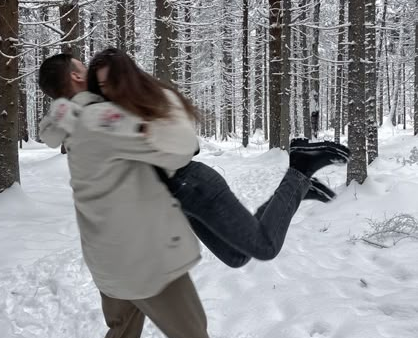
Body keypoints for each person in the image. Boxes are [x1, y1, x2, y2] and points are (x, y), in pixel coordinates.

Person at [38, 54, 239, 338]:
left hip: (108, 262)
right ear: (78, 76)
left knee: (120, 333)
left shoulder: (68, 121)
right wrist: (162, 95)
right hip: (146, 263)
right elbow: (180, 148)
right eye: (85, 66)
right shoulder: (101, 119)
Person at [85, 47, 350, 269]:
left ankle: (301, 168)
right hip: (181, 199)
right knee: (236, 257)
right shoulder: (114, 114)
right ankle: (295, 191)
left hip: (197, 185)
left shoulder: (156, 99)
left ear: (129, 78)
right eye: (103, 86)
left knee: (265, 247)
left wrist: (140, 132)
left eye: (113, 83)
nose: (109, 92)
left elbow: (186, 145)